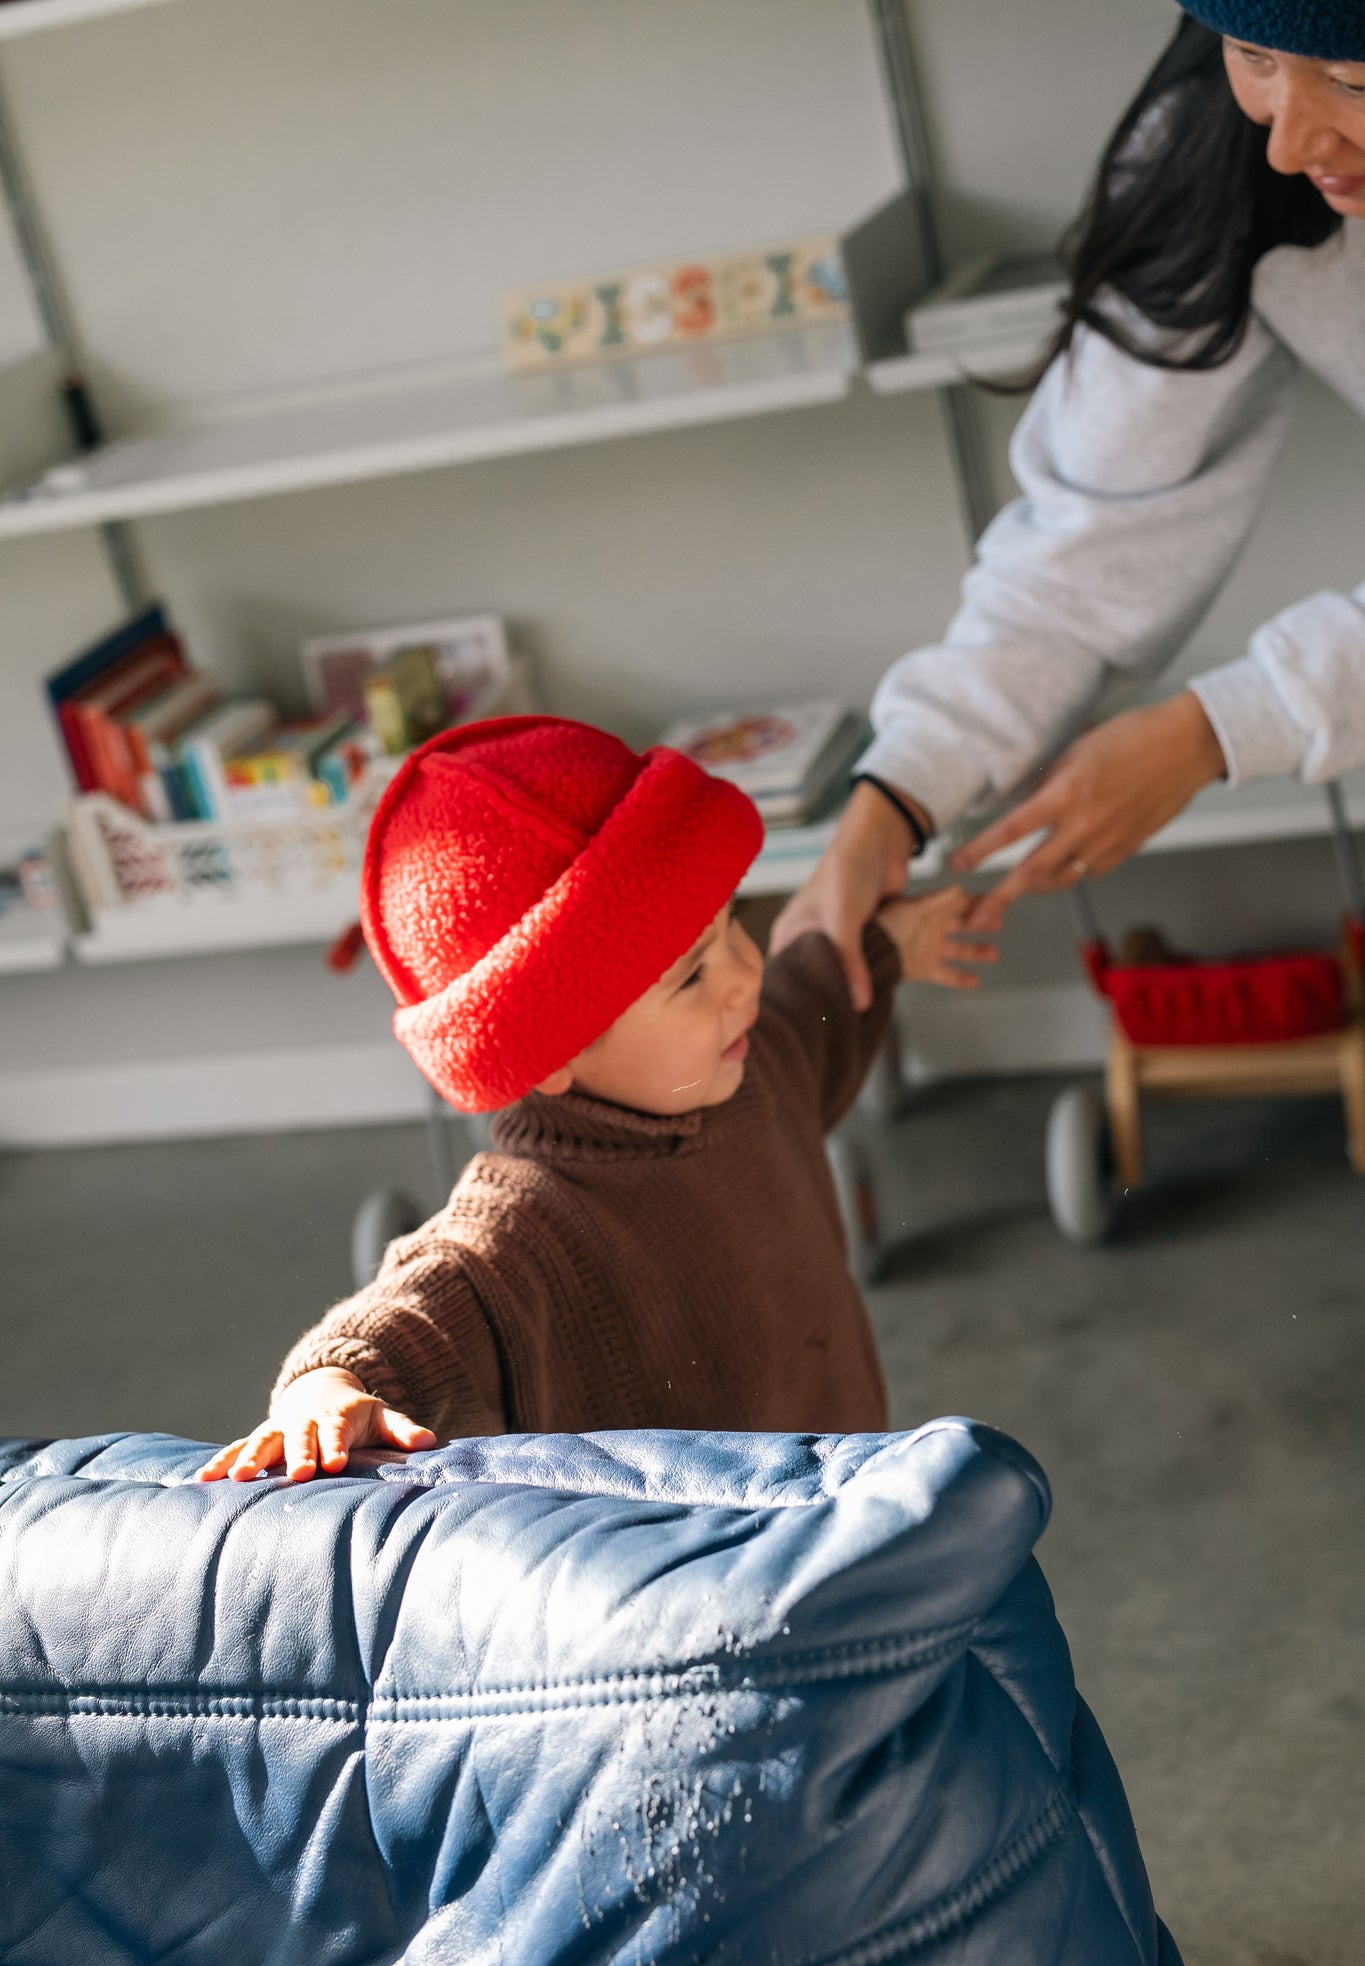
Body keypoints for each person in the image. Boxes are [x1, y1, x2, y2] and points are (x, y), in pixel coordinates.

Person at [198, 716, 994, 1484]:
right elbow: (423, 1299)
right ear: (548, 1053)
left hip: (848, 1485)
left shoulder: (746, 1067)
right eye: (691, 975)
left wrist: (888, 947)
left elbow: (807, 999)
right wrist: (327, 1385)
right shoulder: (531, 1224)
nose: (746, 974)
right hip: (679, 1570)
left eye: (731, 926)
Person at [773, 0, 1365, 1010]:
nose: (1290, 141)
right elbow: (1096, 532)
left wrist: (1216, 731)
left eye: (1353, 81)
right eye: (1254, 55)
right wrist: (901, 786)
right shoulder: (1217, 151)